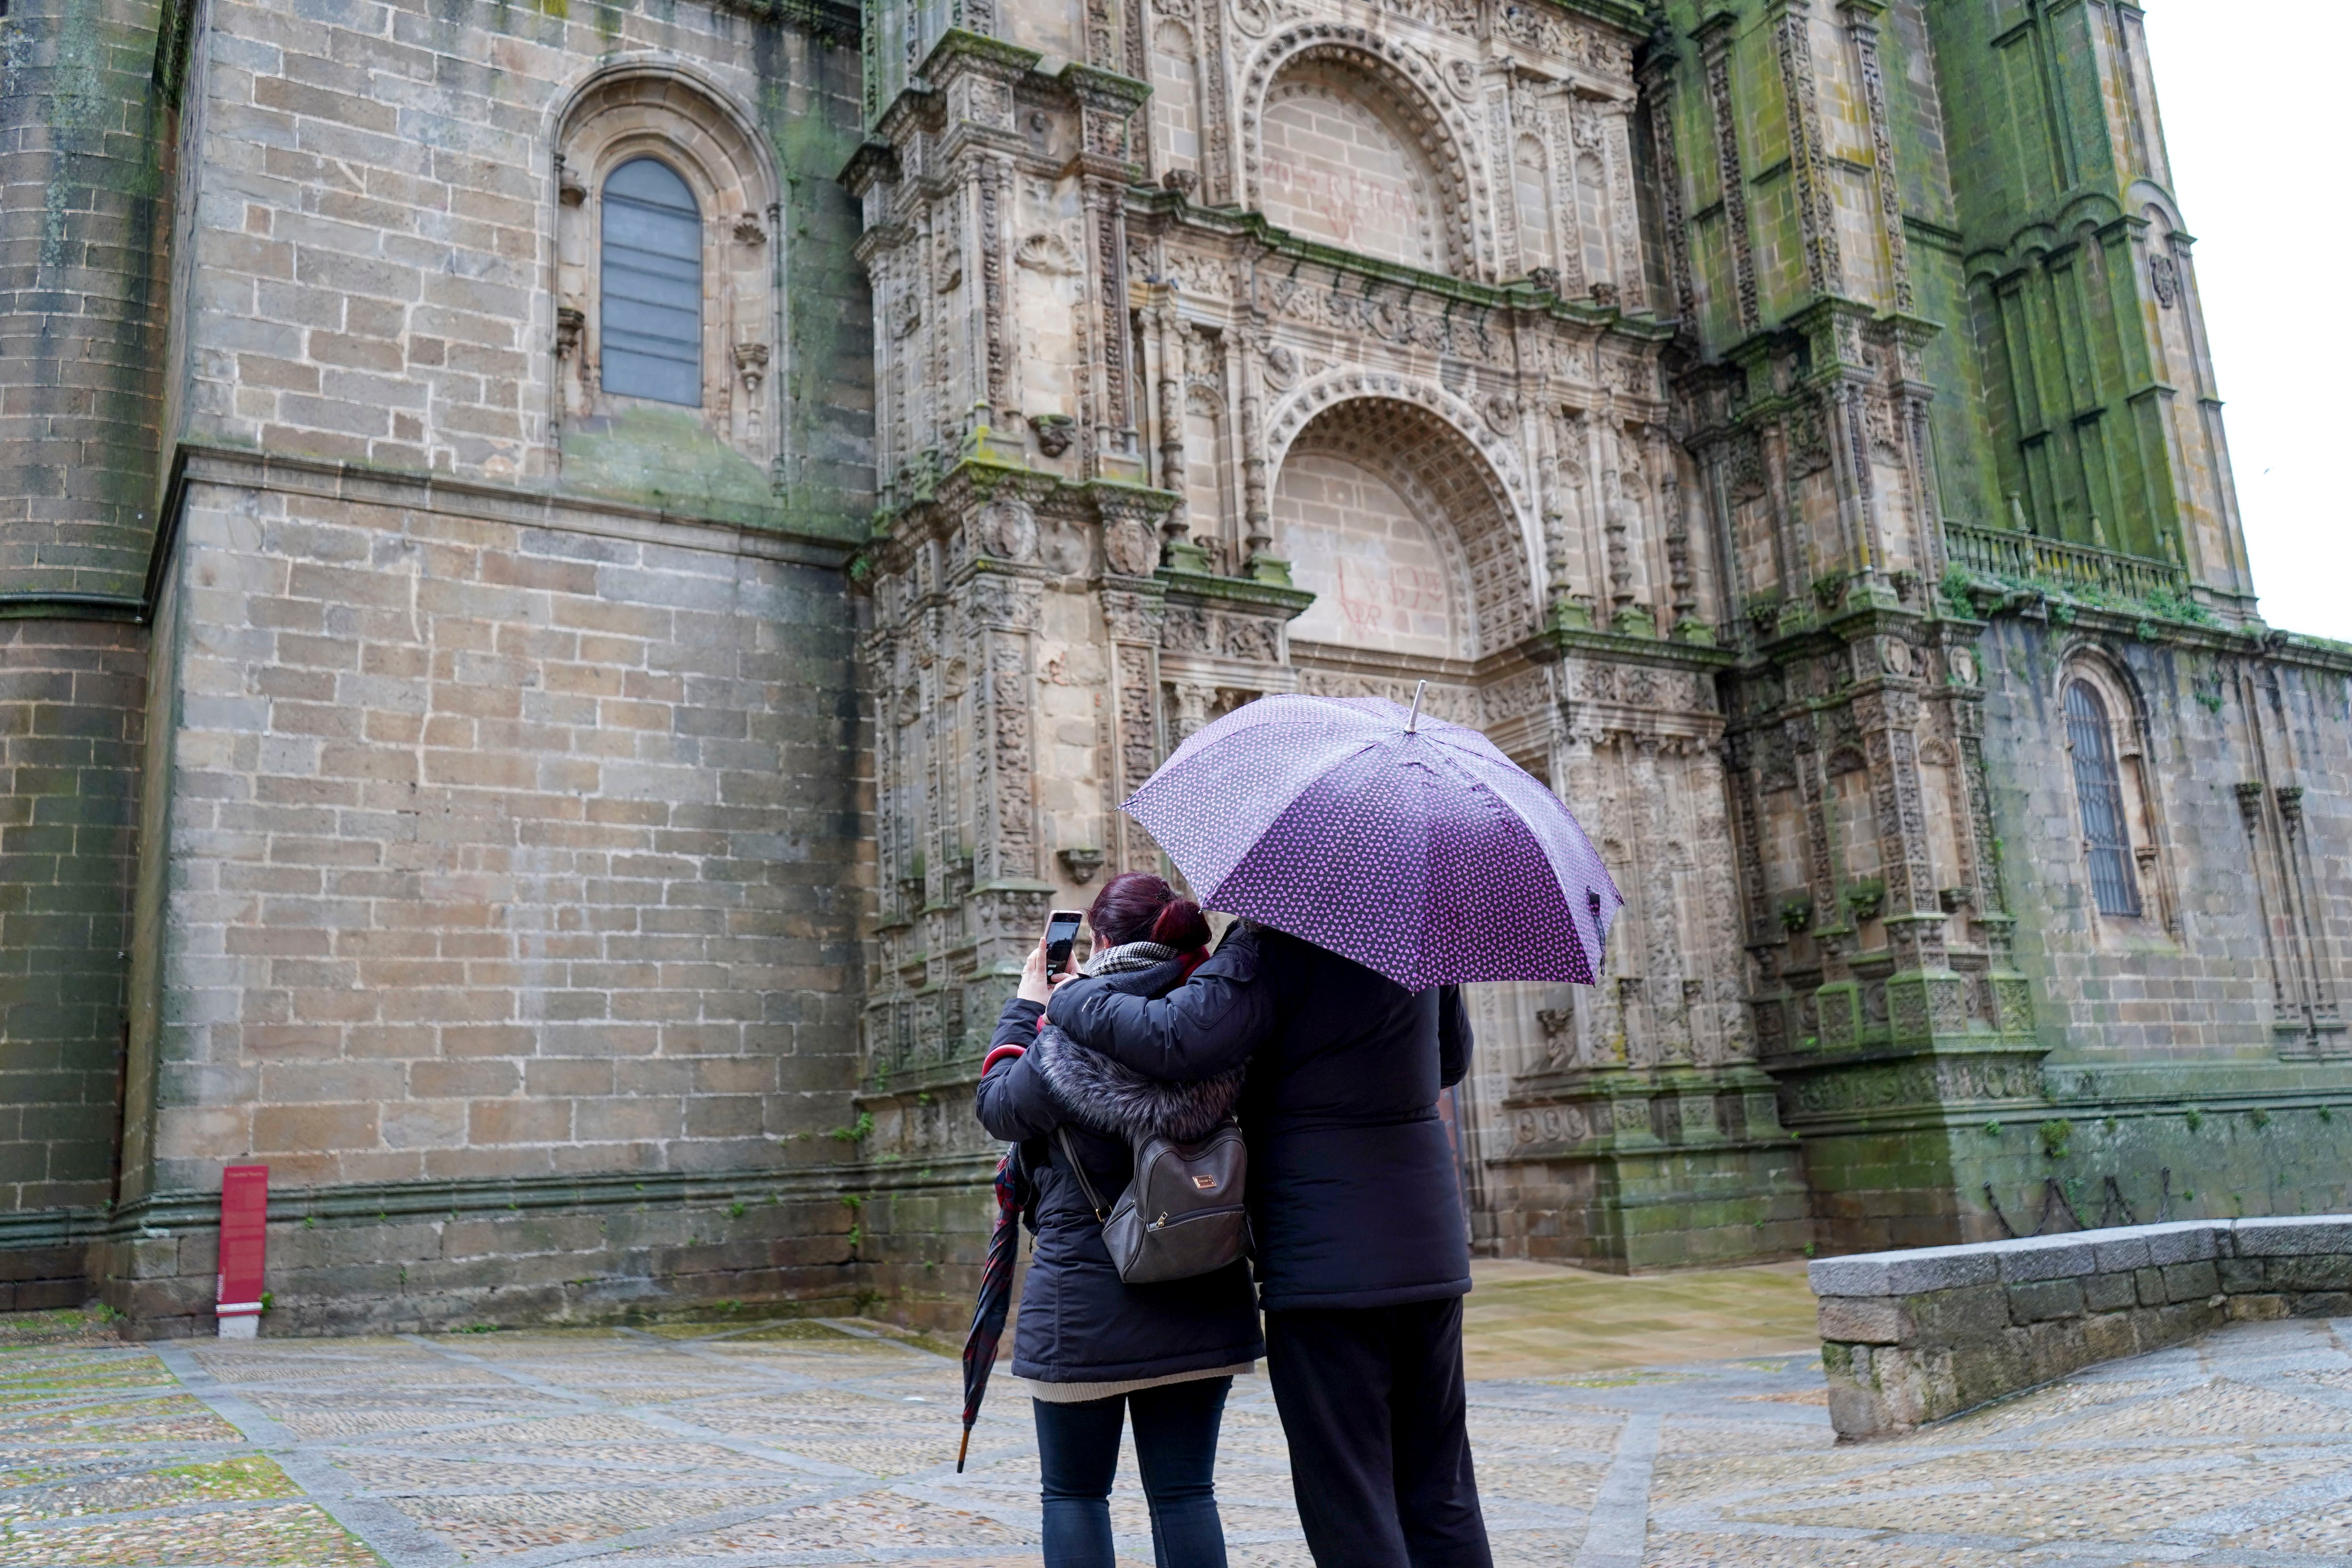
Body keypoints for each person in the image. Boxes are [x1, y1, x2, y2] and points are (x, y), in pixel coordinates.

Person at [1046, 919, 1490, 1568]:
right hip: (1428, 1249)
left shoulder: (1275, 939)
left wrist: (1070, 994)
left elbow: (1177, 1037)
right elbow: (1450, 1060)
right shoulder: (1417, 936)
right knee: (1441, 1486)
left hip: (1328, 1260)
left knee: (1351, 1493)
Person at [974, 872, 1263, 1568]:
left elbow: (996, 1105)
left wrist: (1029, 1003)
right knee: (1188, 1494)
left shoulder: (1067, 1031)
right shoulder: (1215, 1020)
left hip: (1085, 1303)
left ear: (1100, 941)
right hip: (1203, 1286)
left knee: (1075, 1496)